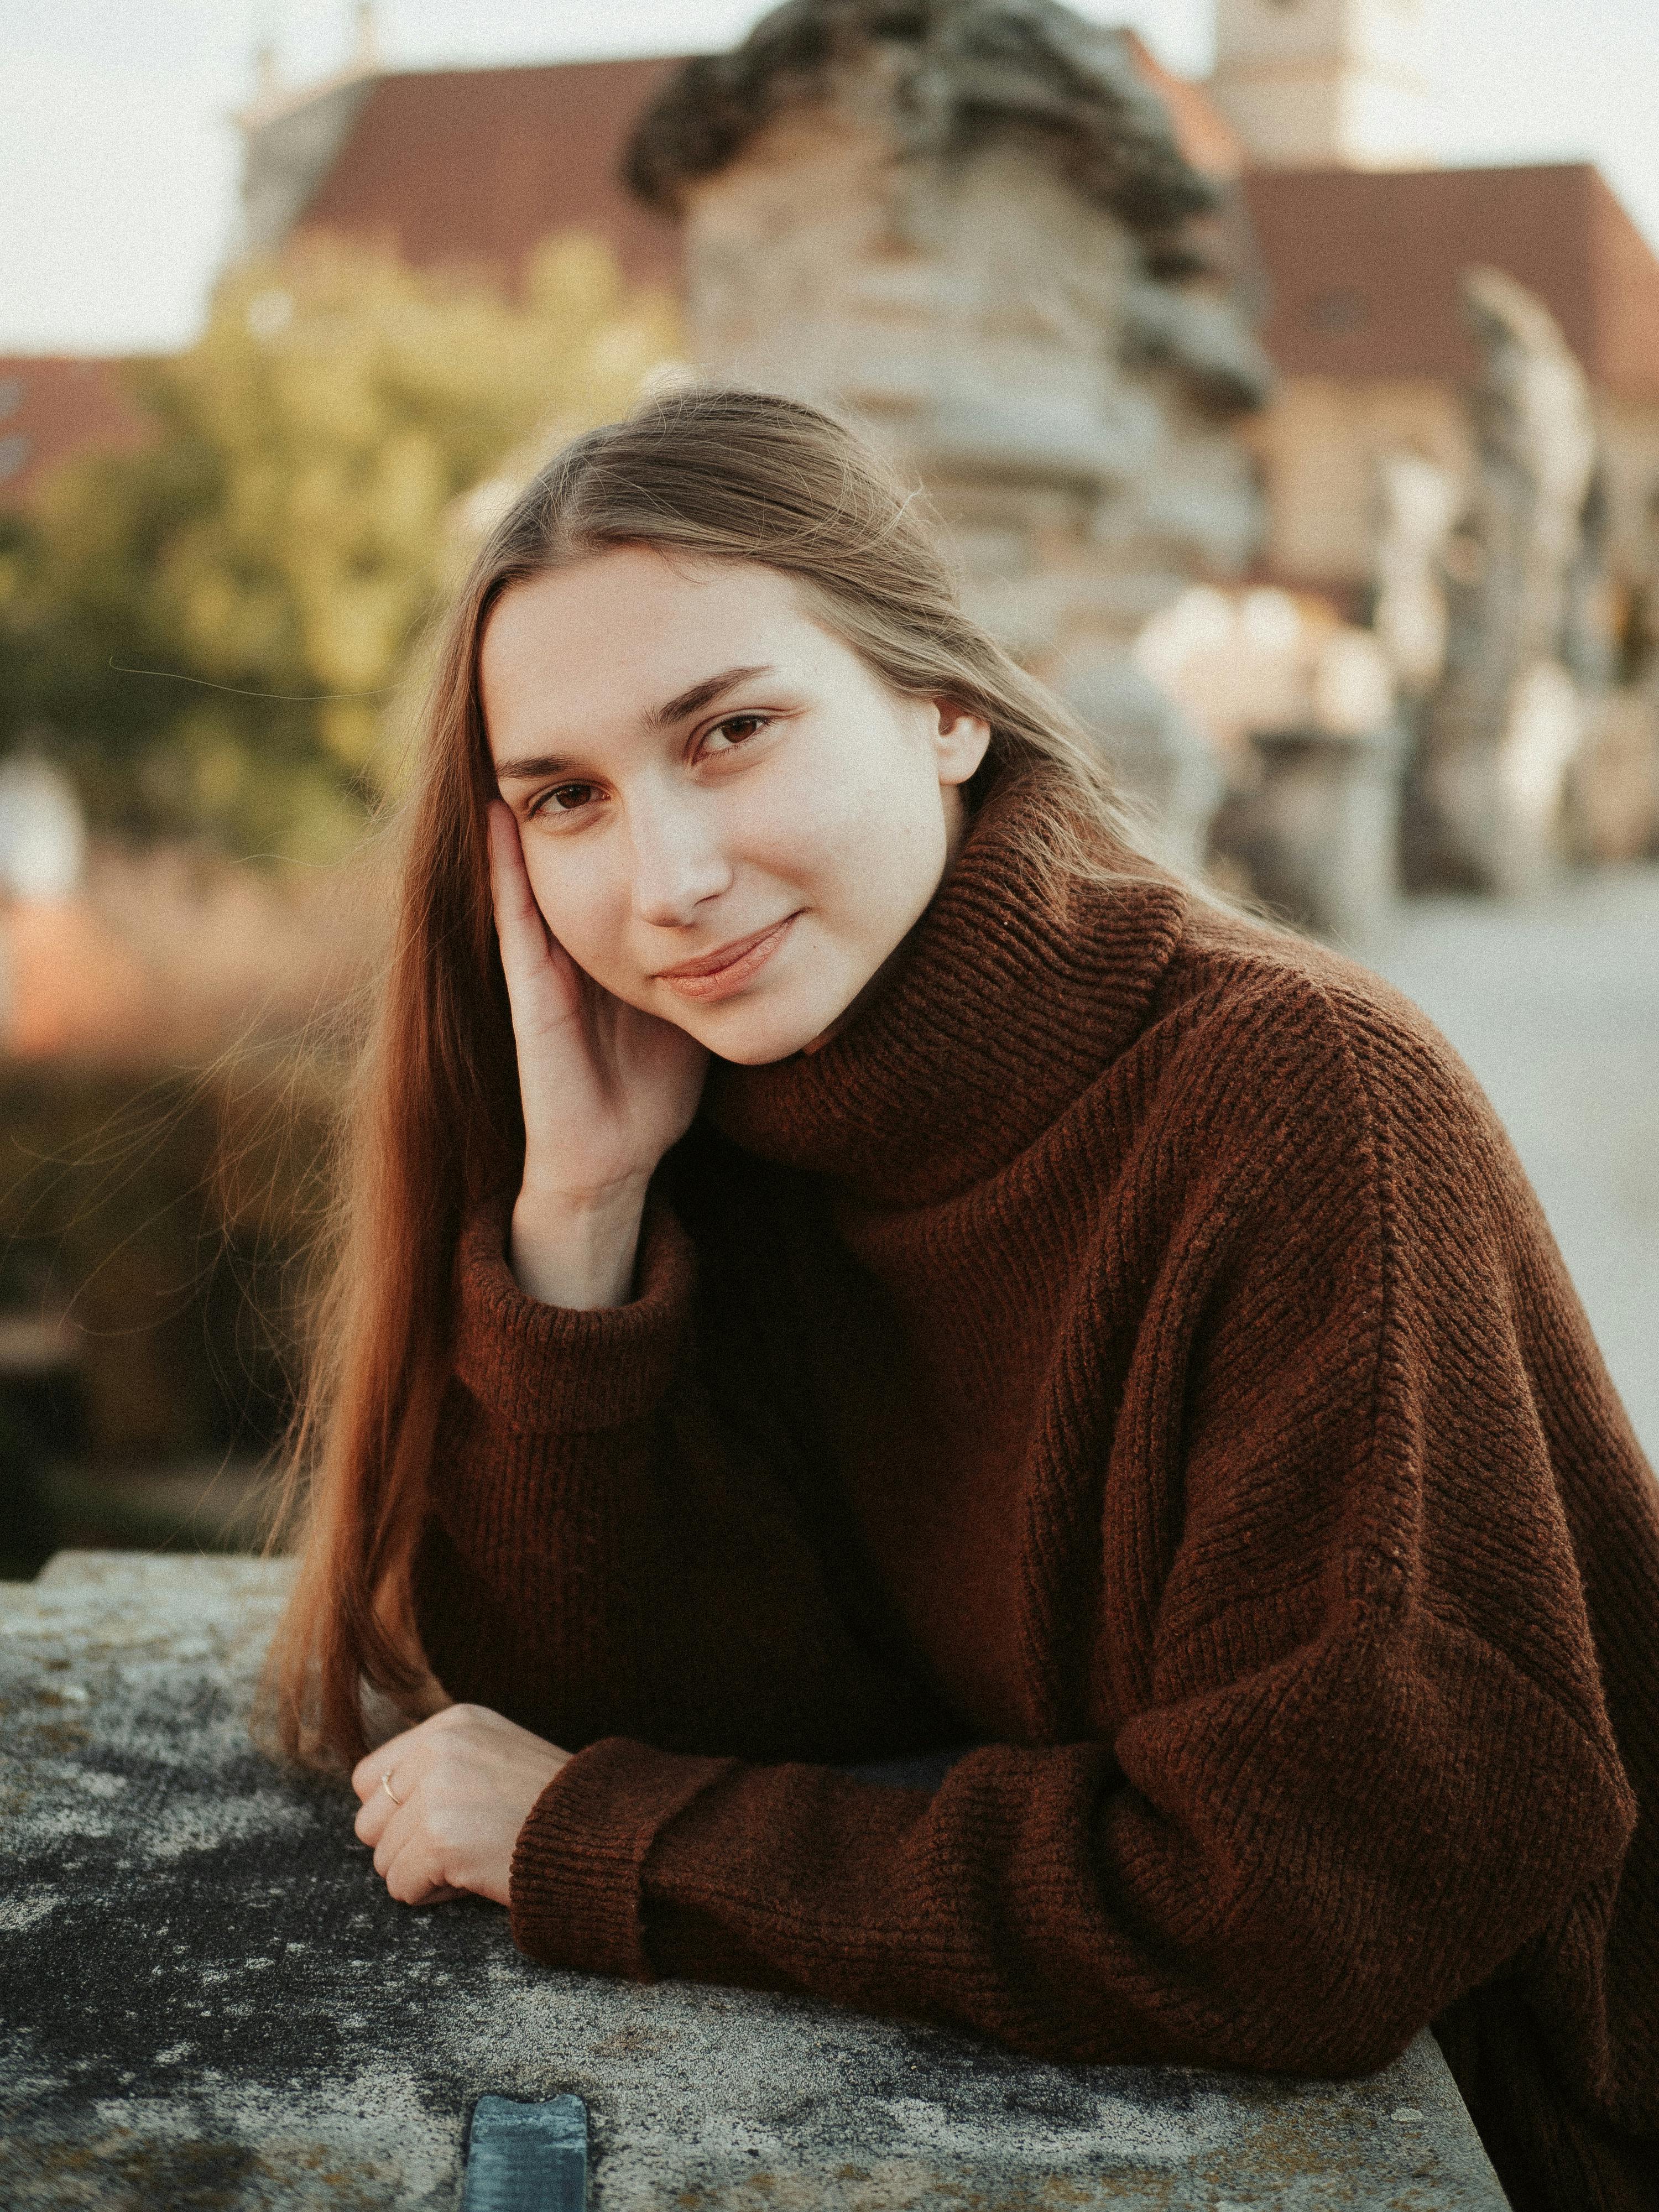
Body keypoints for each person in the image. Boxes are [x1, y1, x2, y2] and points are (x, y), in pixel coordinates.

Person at [269, 387, 1659, 2212]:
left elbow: (1295, 1902)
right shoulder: (723, 1122)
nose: (667, 880)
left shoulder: (1303, 1108)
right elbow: (593, 1697)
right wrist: (582, 1226)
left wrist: (614, 1845)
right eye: (567, 798)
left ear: (946, 706)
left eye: (735, 730)